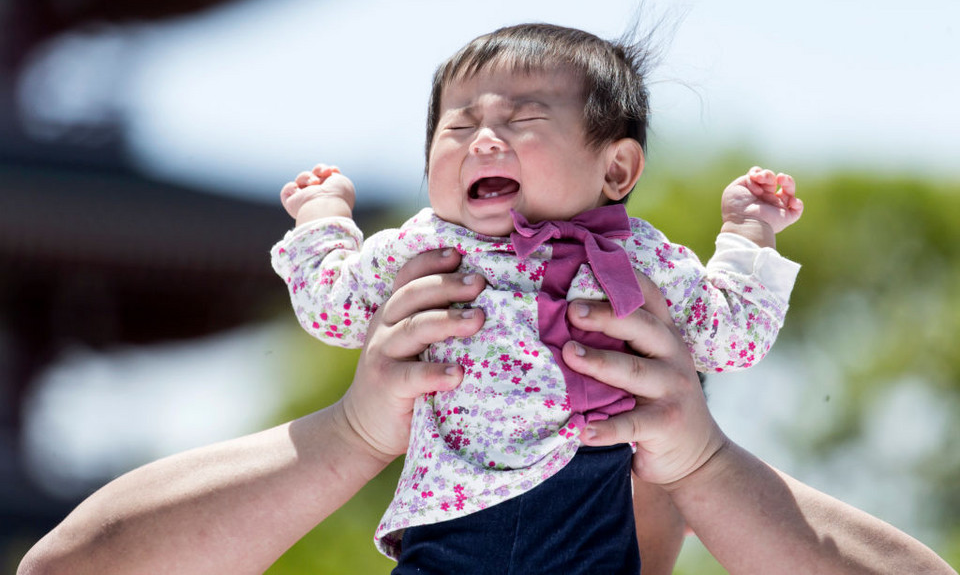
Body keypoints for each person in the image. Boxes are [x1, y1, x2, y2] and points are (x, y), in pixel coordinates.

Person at [17, 250, 956, 575]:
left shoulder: (679, 469)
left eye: (596, 403)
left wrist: (705, 463)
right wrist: (354, 434)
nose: (533, 439)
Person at [270, 23, 803, 568]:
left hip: (587, 505)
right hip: (450, 514)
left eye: (523, 120)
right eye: (460, 124)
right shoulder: (421, 246)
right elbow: (332, 311)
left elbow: (733, 340)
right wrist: (323, 217)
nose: (483, 140)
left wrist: (749, 231)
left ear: (615, 169)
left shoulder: (639, 259)